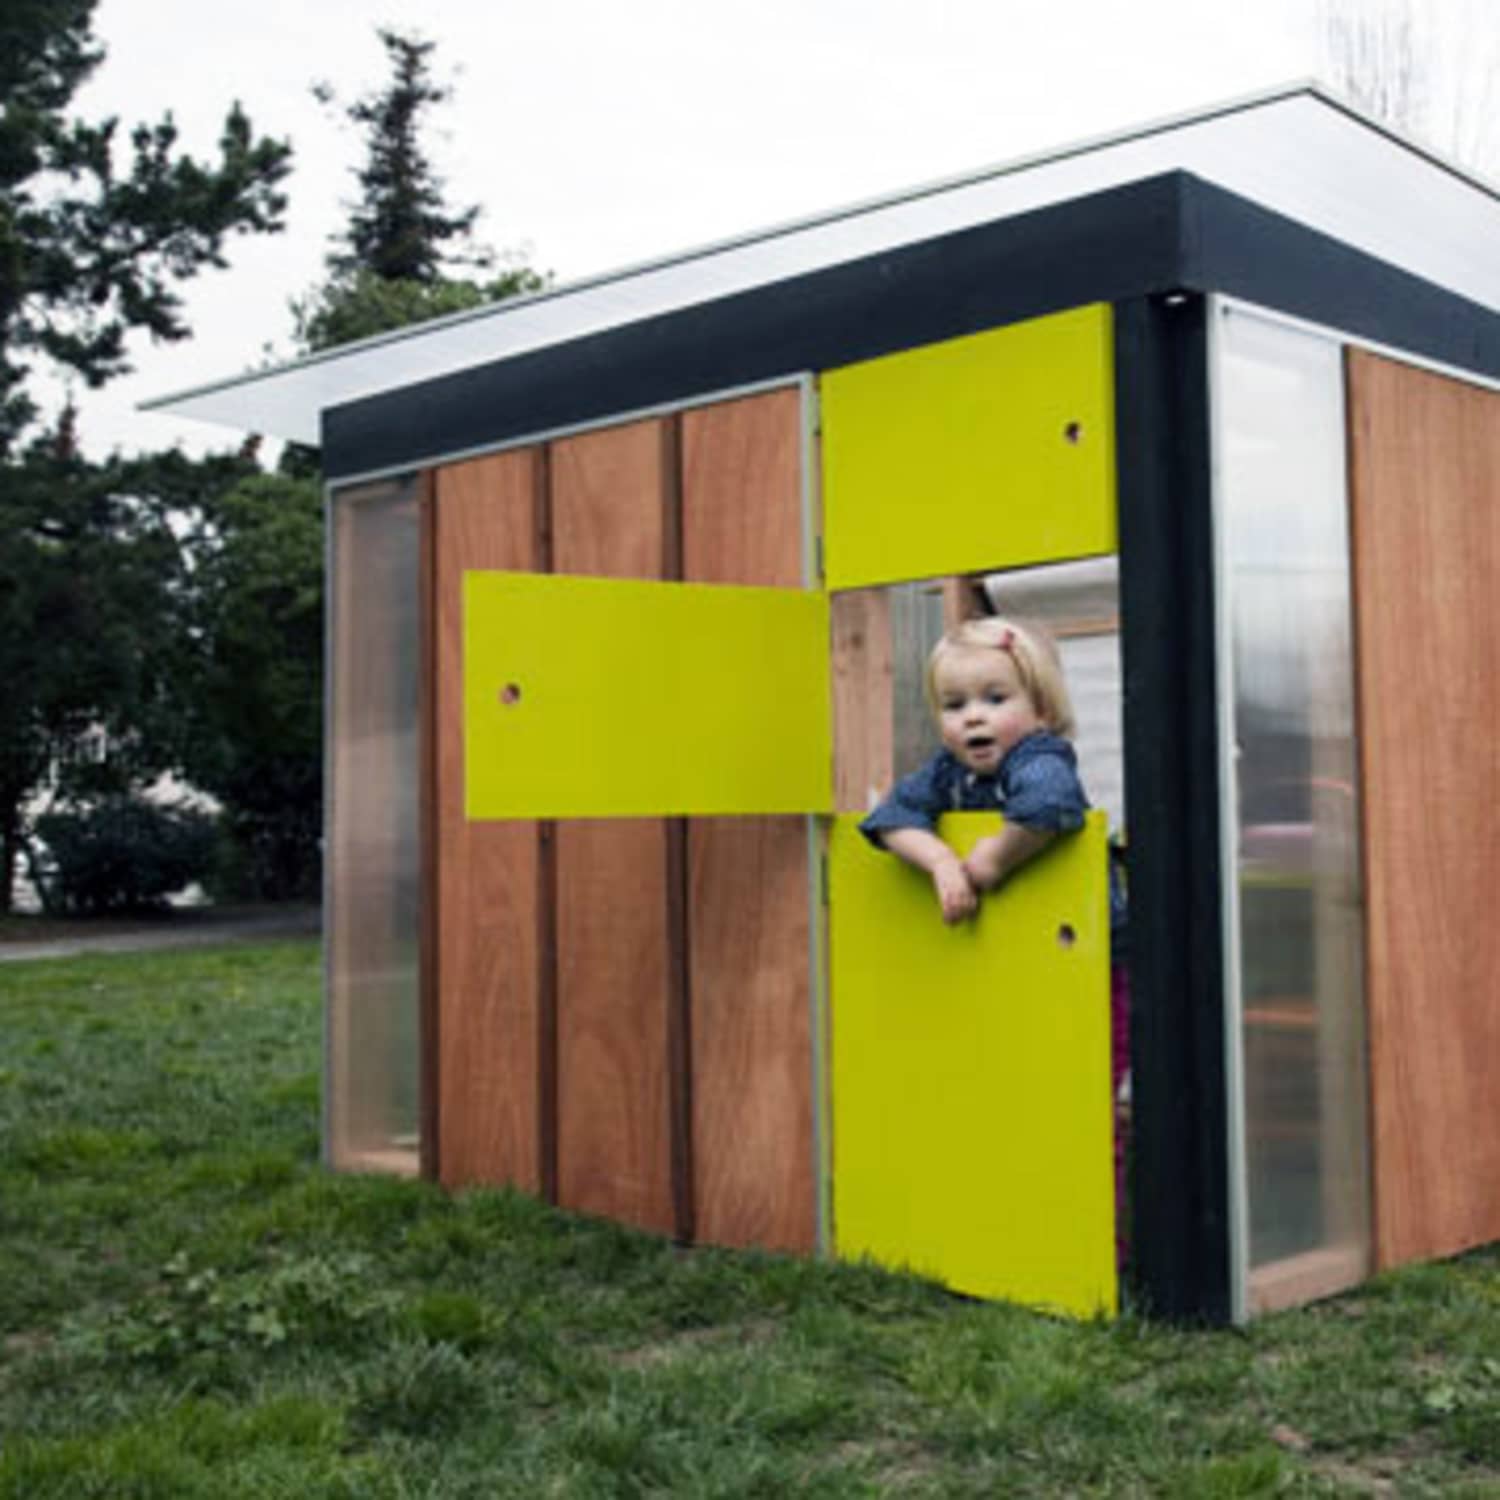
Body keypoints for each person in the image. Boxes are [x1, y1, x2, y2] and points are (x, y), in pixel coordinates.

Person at [860, 614, 1131, 1268]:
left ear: (1041, 708)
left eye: (994, 699)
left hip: (1097, 965)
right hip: (1022, 966)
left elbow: (1048, 809)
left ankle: (1106, 1242)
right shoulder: (948, 773)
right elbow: (888, 818)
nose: (972, 720)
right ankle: (1017, 1220)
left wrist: (990, 863)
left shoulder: (1039, 758)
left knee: (1085, 1096)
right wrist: (942, 864)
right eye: (954, 706)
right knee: (1022, 1089)